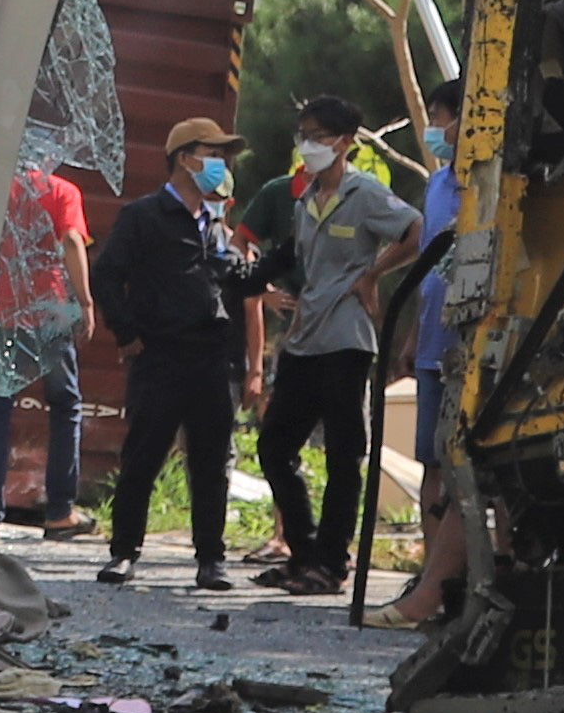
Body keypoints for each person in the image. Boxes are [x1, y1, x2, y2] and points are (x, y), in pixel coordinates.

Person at [248, 122, 419, 594]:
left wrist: (374, 274)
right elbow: (303, 264)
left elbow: (416, 231)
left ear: (344, 143)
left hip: (347, 338)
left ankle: (331, 564)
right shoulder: (304, 200)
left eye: (320, 135)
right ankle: (303, 553)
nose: (308, 144)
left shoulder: (365, 193)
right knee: (275, 446)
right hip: (306, 337)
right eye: (303, 133)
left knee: (345, 455)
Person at [91, 115, 251, 592]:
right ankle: (124, 552)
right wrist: (126, 332)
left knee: (210, 461)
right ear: (185, 158)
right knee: (143, 455)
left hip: (210, 358)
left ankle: (210, 559)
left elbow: (235, 285)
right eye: (212, 153)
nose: (220, 164)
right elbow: (106, 275)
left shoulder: (217, 225)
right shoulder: (143, 216)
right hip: (160, 354)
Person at [0, 147, 92, 535]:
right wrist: (84, 301)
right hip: (50, 313)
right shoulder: (63, 190)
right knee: (65, 406)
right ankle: (60, 512)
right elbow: (71, 240)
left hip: (3, 312)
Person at [391, 139, 471, 631]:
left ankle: (473, 578)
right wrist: (415, 332)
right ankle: (433, 580)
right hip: (432, 348)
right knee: (433, 465)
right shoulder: (438, 184)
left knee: (468, 469)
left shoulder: (497, 174)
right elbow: (428, 266)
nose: (442, 131)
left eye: (448, 120)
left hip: (473, 346)